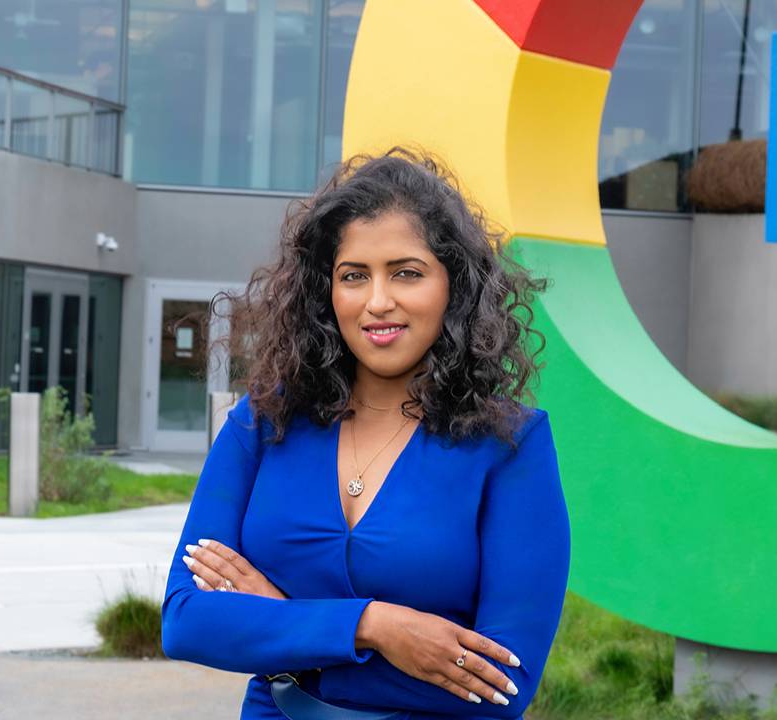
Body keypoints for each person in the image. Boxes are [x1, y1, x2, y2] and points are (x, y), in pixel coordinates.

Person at [161, 146, 571, 720]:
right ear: (325, 293)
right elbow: (185, 621)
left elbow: (501, 686)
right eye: (354, 276)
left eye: (406, 272)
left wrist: (282, 636)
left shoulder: (509, 447)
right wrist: (375, 627)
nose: (378, 302)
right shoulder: (261, 425)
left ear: (454, 286)